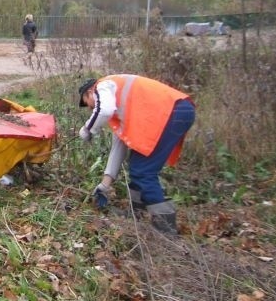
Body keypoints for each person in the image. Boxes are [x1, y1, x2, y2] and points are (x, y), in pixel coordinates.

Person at [77, 75, 195, 235]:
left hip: (172, 111)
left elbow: (103, 110)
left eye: (87, 103)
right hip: (174, 112)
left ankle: (165, 230)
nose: (90, 109)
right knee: (138, 165)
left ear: (90, 92)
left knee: (143, 171)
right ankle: (136, 214)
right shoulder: (119, 110)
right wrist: (104, 185)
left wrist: (87, 128)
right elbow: (117, 150)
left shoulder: (102, 86)